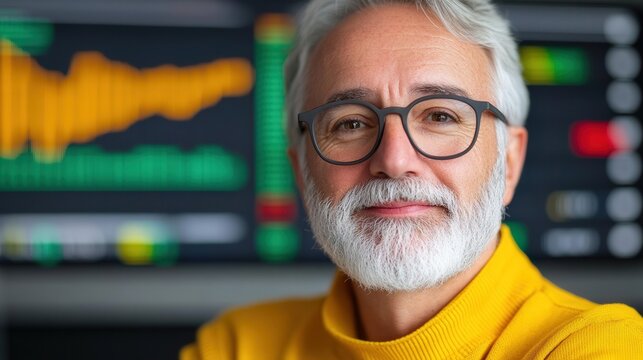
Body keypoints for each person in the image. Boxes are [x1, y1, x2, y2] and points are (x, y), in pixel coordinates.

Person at [181, 0, 643, 358]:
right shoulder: (237, 347)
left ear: (509, 162)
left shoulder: (599, 347)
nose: (395, 159)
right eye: (350, 123)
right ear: (301, 172)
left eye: (440, 115)